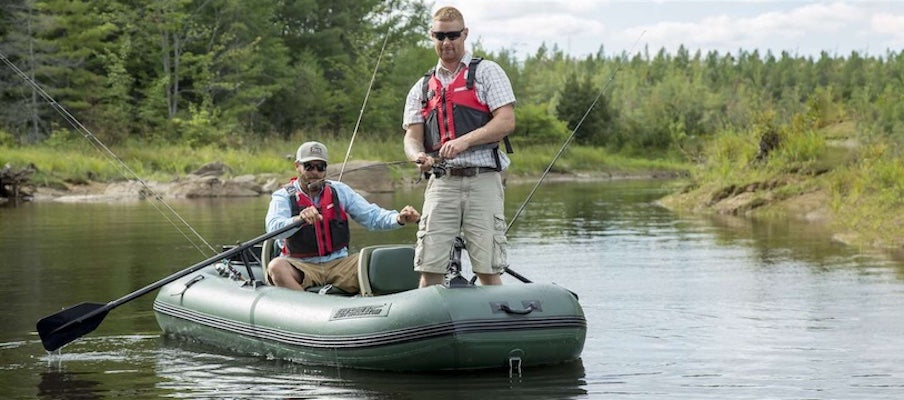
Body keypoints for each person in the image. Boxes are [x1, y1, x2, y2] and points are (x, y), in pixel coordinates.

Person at [402, 6, 516, 288]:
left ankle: (497, 325)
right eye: (440, 36)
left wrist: (465, 140)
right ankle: (427, 327)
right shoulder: (422, 86)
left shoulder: (487, 72)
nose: (447, 42)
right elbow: (412, 136)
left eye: (453, 35)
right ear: (432, 36)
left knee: (489, 267)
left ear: (464, 34)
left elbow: (506, 121)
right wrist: (417, 156)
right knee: (430, 267)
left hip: (483, 179)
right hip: (442, 183)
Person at [265, 141, 421, 292]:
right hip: (300, 265)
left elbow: (372, 216)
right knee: (276, 267)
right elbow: (273, 228)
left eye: (320, 167)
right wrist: (298, 220)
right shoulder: (283, 196)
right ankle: (308, 310)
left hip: (340, 263)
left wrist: (398, 219)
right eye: (309, 166)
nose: (315, 172)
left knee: (380, 262)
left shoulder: (340, 191)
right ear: (297, 166)